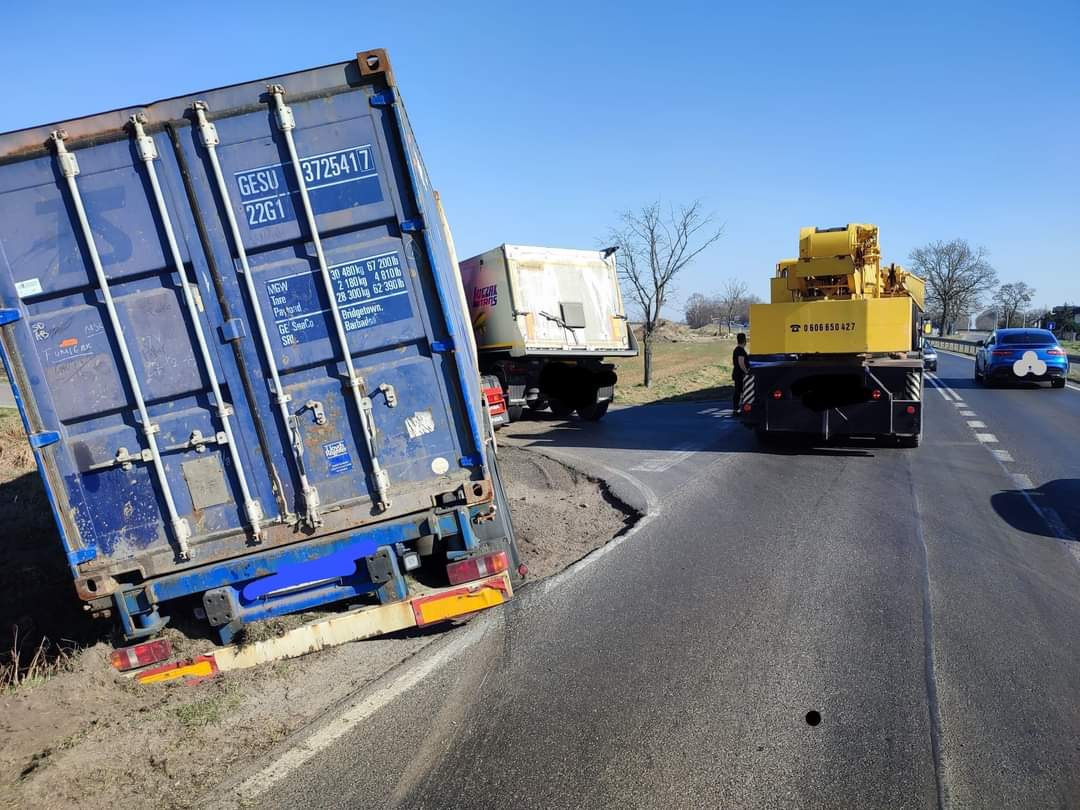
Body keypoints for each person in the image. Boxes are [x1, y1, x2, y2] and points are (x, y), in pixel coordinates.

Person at [732, 333, 749, 414]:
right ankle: (736, 409)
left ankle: (737, 408)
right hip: (740, 374)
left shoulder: (737, 349)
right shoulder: (740, 351)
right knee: (739, 391)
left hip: (737, 373)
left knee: (739, 391)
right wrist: (746, 372)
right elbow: (741, 363)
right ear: (744, 341)